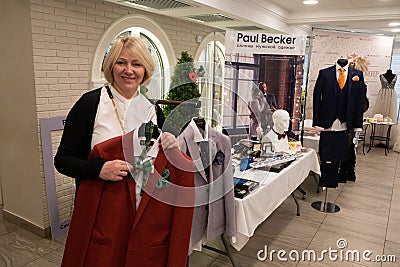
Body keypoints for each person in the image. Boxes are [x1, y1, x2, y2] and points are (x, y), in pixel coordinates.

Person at [54, 37, 195, 267]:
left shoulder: (153, 109)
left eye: (137, 64)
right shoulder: (90, 105)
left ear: (145, 70)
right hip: (103, 212)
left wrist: (170, 144)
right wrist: (98, 168)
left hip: (144, 212)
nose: (129, 70)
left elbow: (156, 158)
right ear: (111, 67)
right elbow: (62, 160)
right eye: (121, 62)